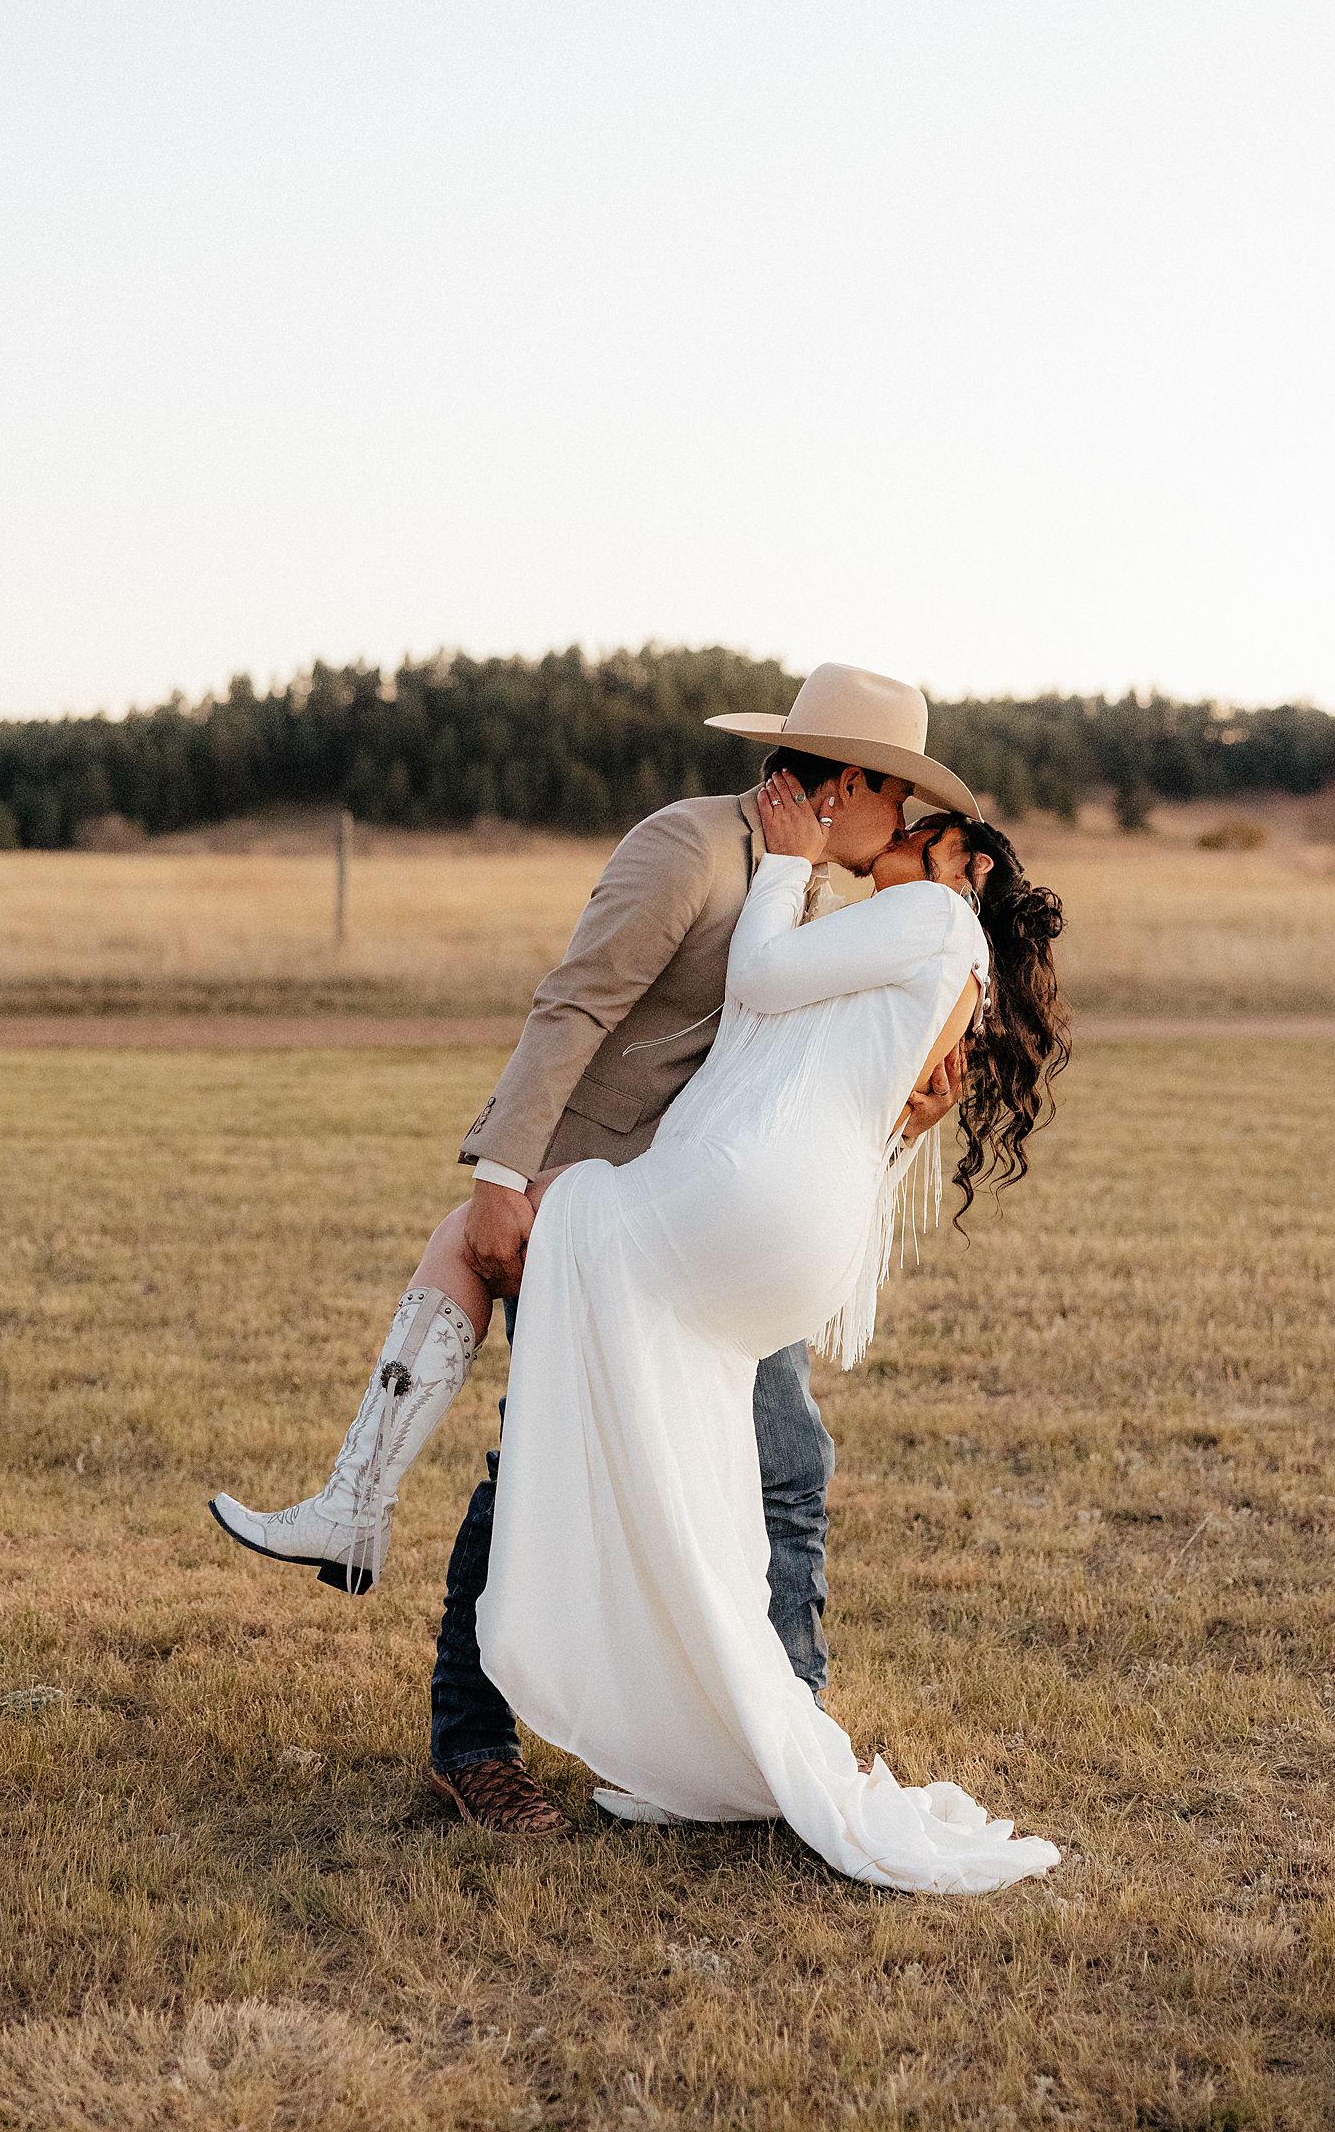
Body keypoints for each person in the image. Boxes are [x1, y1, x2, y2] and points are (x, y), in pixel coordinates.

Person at [207, 667, 1048, 1862]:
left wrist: (908, 1100)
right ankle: (473, 1743)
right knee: (543, 1459)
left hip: (710, 1216)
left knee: (783, 1459)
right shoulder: (691, 849)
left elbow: (806, 1067)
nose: (901, 834)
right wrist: (503, 1172)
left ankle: (773, 1723)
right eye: (899, 803)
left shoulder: (824, 893)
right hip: (618, 1188)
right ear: (851, 782)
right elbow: (575, 1006)